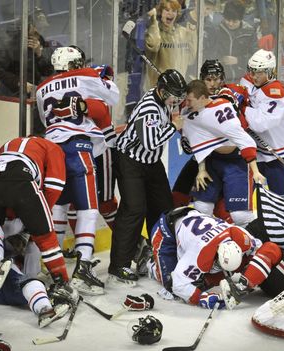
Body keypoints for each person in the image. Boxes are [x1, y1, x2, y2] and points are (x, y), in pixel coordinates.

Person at [36, 46, 120, 295]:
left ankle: (54, 268)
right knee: (89, 207)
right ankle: (83, 268)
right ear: (75, 63)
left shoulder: (41, 89)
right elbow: (112, 97)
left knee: (59, 206)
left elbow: (46, 120)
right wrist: (100, 79)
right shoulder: (85, 74)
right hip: (78, 146)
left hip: (52, 149)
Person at [0, 136, 78, 308]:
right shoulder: (53, 148)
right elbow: (54, 186)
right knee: (45, 236)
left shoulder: (8, 143)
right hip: (20, 179)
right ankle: (63, 284)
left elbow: (5, 196)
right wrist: (34, 220)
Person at [108, 69, 186, 285]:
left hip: (151, 163)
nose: (176, 100)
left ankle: (159, 255)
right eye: (174, 95)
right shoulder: (149, 108)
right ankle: (119, 266)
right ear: (161, 91)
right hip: (130, 162)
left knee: (163, 210)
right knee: (134, 210)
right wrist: (174, 126)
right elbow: (151, 142)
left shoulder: (164, 99)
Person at [147, 206, 283, 308]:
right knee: (170, 286)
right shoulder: (200, 253)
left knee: (207, 278)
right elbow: (178, 283)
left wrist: (247, 280)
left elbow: (265, 250)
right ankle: (147, 261)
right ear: (217, 252)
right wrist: (201, 299)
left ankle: (237, 282)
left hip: (193, 218)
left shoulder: (240, 235)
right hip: (166, 230)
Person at [172, 60, 255, 227]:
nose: (213, 83)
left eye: (217, 78)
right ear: (202, 79)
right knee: (178, 198)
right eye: (208, 79)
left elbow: (232, 101)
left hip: (235, 160)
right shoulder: (191, 101)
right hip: (207, 158)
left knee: (233, 214)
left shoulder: (230, 92)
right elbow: (189, 145)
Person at [181, 79, 266, 221]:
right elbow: (199, 143)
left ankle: (253, 242)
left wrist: (256, 171)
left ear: (202, 98)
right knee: (201, 207)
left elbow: (245, 140)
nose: (187, 104)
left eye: (190, 100)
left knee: (240, 216)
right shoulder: (190, 114)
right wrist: (201, 169)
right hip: (213, 162)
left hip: (237, 162)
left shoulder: (221, 110)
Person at [0, 219, 73, 328]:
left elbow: (29, 275)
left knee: (34, 283)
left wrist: (51, 293)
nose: (21, 244)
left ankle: (44, 309)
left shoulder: (5, 237)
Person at [240, 49, 284, 200]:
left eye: (259, 72)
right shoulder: (246, 81)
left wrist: (242, 108)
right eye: (252, 71)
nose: (254, 76)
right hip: (257, 153)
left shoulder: (276, 93)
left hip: (279, 154)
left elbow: (261, 123)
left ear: (270, 71)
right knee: (243, 200)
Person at [143, 0, 197, 90]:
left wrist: (192, 36)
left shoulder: (183, 32)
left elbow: (191, 59)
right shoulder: (154, 30)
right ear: (161, 12)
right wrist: (153, 21)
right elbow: (154, 46)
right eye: (167, 10)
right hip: (157, 89)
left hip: (178, 88)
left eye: (174, 11)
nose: (170, 14)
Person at [211, 0, 257, 83]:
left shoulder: (249, 32)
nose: (230, 24)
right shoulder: (216, 29)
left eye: (235, 21)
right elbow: (210, 53)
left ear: (241, 19)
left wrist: (238, 60)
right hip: (220, 77)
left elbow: (255, 56)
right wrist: (220, 60)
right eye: (228, 20)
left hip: (242, 77)